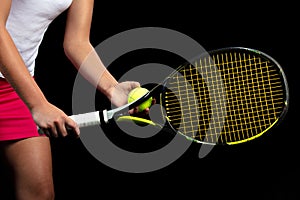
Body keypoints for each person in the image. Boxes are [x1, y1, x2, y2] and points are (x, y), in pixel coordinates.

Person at [0, 0, 143, 199]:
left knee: (40, 194)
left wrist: (112, 89)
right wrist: (38, 104)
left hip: (14, 87)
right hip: (25, 90)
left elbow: (77, 42)